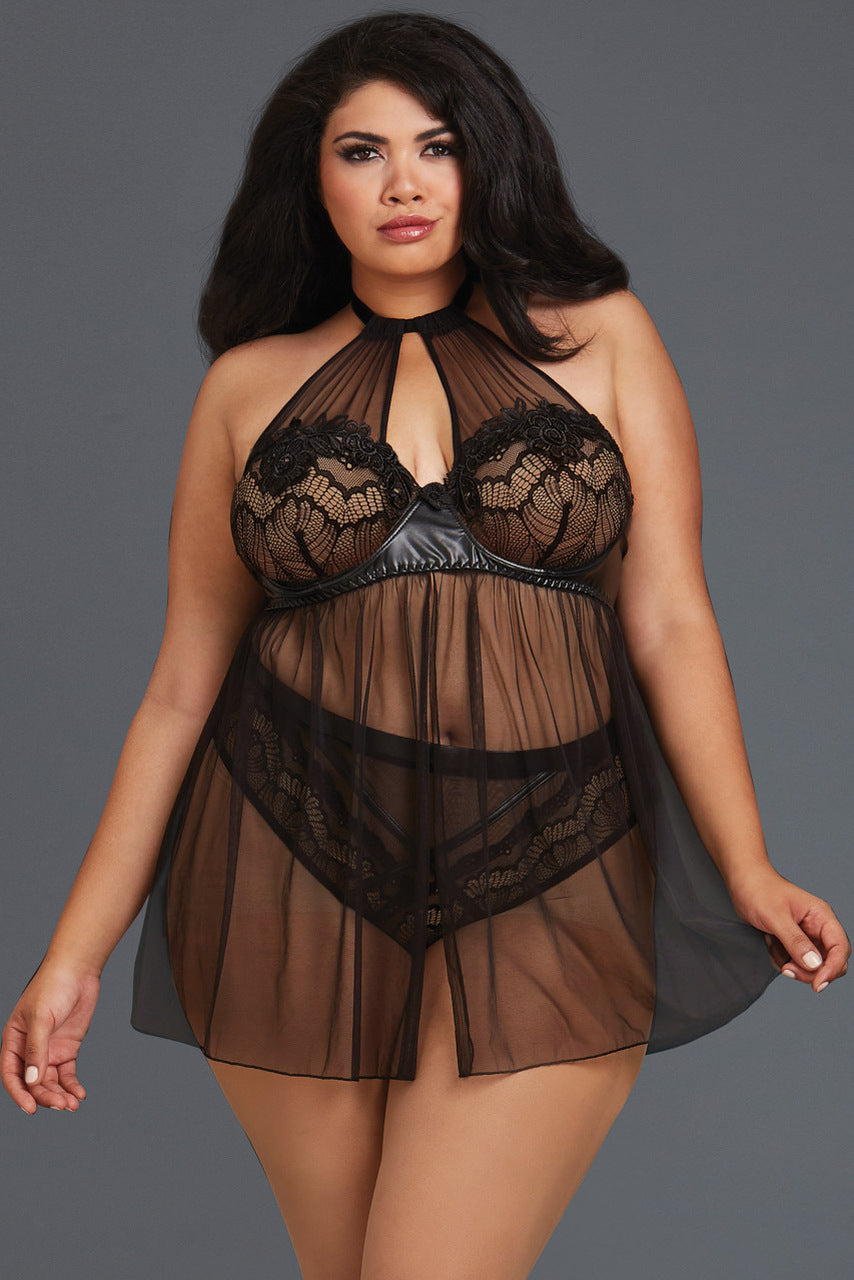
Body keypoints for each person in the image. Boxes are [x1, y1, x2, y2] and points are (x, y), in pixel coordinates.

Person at [3, 10, 849, 1280]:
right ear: (312, 180)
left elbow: (669, 616)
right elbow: (180, 689)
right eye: (362, 151)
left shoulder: (600, 336)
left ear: (485, 159)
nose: (402, 182)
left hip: (552, 846)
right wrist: (72, 957)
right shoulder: (246, 386)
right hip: (289, 851)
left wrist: (745, 861)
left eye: (436, 145)